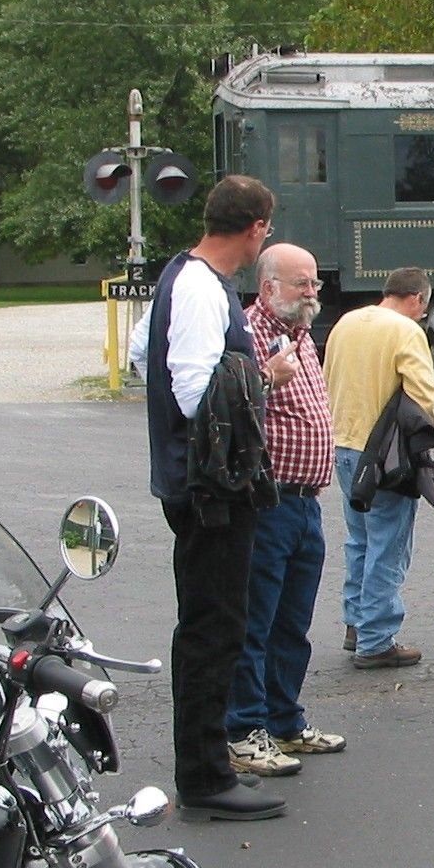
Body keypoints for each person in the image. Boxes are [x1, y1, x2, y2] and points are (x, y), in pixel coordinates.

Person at [141, 174, 295, 822]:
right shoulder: (202, 289)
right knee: (213, 629)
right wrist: (266, 375)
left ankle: (208, 765)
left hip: (202, 482)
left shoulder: (184, 278)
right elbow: (193, 392)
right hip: (210, 488)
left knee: (212, 626)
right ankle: (204, 776)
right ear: (258, 227)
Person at [223, 243, 346, 778]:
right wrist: (267, 377)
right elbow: (230, 404)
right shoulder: (247, 335)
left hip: (305, 504)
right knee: (256, 621)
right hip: (267, 501)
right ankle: (245, 730)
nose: (312, 292)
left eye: (314, 283)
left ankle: (284, 720)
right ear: (269, 286)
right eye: (302, 283)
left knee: (292, 624)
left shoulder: (301, 336)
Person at [323, 266, 434, 672]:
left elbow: (327, 378)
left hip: (344, 445)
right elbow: (423, 396)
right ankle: (376, 639)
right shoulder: (407, 332)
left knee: (360, 541)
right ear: (418, 299)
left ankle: (356, 624)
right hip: (387, 455)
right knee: (389, 546)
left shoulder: (346, 323)